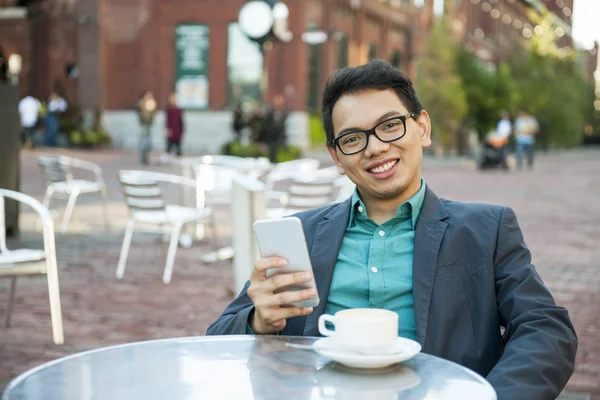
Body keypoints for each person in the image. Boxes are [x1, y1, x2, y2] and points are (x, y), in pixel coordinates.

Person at [206, 60, 577, 399]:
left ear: (422, 127)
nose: (376, 148)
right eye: (352, 138)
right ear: (336, 157)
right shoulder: (300, 234)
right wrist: (257, 321)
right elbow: (216, 340)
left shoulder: (487, 229)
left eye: (389, 126)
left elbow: (546, 329)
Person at [137, 90, 157, 165]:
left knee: (148, 142)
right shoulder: (141, 103)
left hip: (149, 125)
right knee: (144, 142)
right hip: (143, 125)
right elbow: (141, 113)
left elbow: (152, 115)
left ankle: (146, 157)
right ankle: (143, 157)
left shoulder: (151, 104)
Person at [165, 93, 184, 157]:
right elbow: (168, 121)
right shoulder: (169, 110)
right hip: (171, 130)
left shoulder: (179, 110)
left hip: (177, 130)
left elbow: (181, 121)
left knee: (178, 146)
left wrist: (182, 130)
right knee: (169, 146)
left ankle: (179, 159)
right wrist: (168, 130)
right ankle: (165, 159)